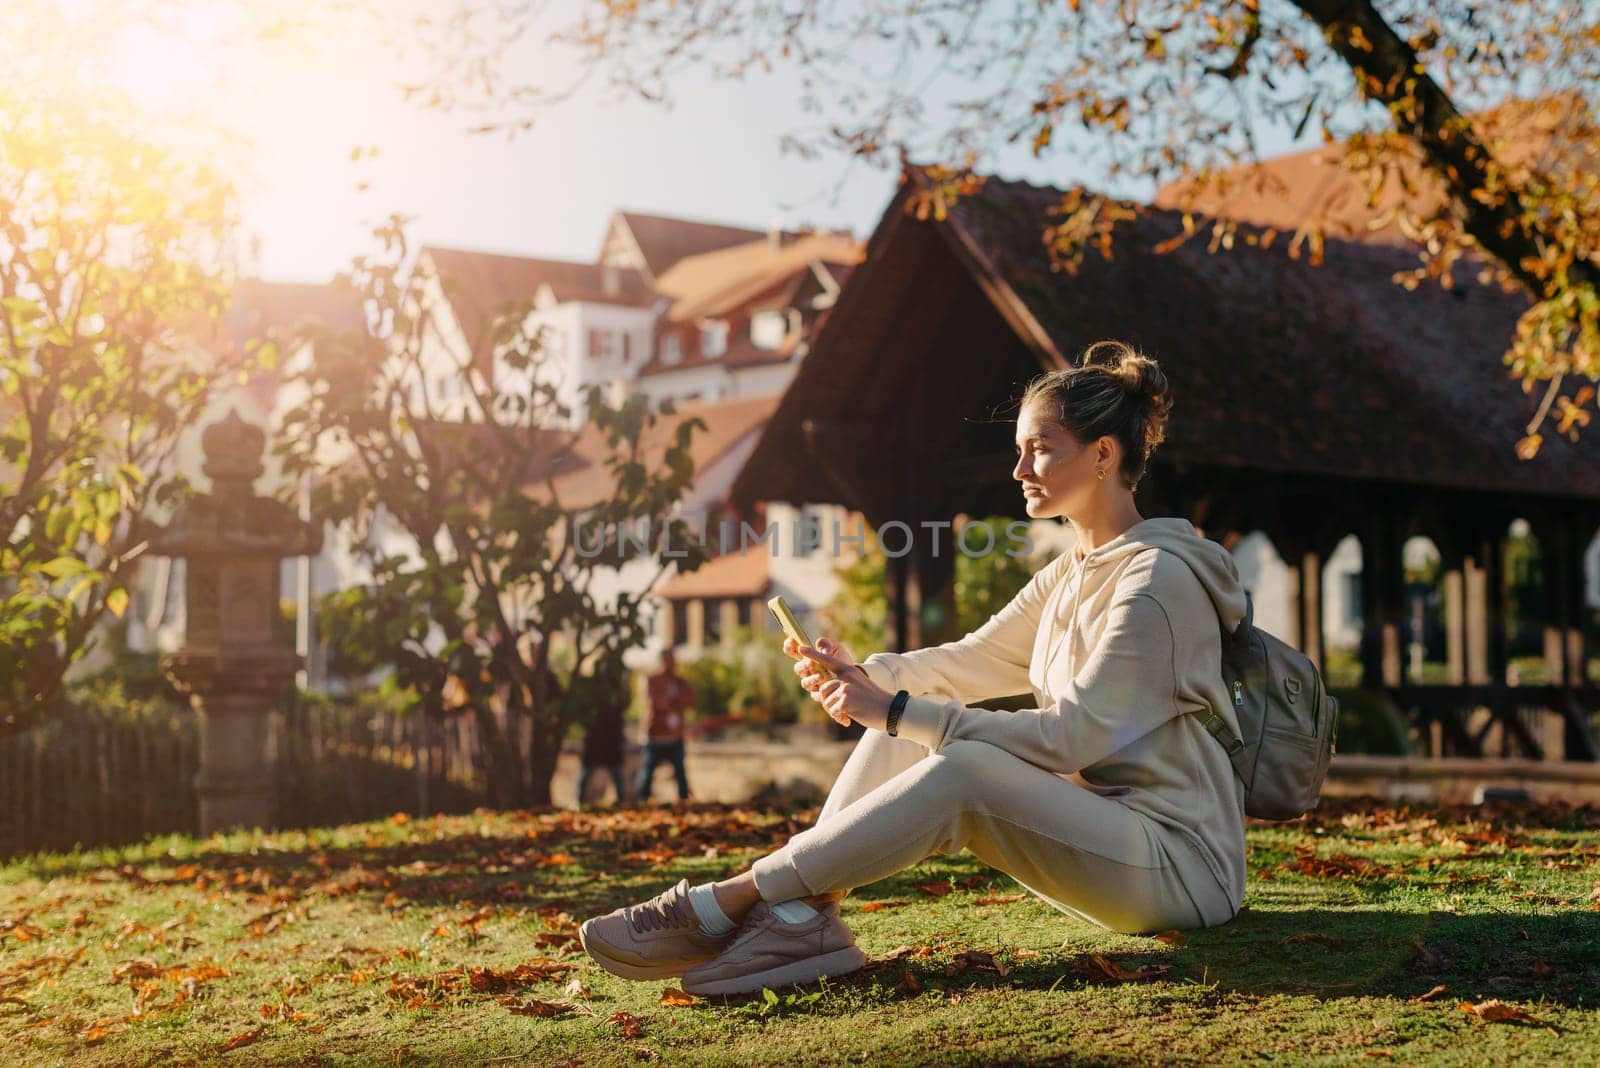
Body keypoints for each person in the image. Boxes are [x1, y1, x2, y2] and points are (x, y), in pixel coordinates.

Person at [580, 340, 1248, 996]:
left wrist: (897, 711)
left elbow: (1070, 737)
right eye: (1018, 449)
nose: (1018, 469)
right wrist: (867, 680)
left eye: (1039, 448)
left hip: (1179, 865)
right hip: (1104, 836)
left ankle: (732, 899)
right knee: (912, 716)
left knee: (956, 762)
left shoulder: (1158, 584)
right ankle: (803, 917)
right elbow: (968, 662)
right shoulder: (1069, 575)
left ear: (1103, 454)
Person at [633, 647, 695, 802]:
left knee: (680, 773)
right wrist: (676, 703)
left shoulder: (680, 682)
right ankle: (641, 802)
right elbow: (655, 702)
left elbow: (692, 698)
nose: (671, 663)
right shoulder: (651, 680)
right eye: (668, 660)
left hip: (675, 736)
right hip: (655, 735)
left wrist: (671, 703)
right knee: (647, 773)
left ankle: (684, 802)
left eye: (673, 660)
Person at [577, 669, 630, 809]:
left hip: (611, 739)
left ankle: (622, 804)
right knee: (586, 774)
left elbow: (623, 706)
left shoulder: (615, 688)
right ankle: (579, 804)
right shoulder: (589, 689)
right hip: (595, 739)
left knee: (616, 774)